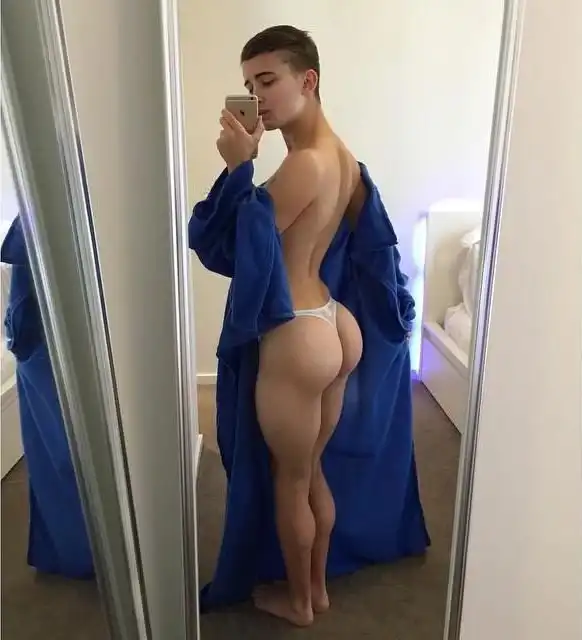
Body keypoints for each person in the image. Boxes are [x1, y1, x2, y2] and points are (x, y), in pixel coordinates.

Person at [215, 25, 365, 626]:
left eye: (268, 81)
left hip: (299, 333)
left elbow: (236, 249)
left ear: (308, 80)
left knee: (291, 479)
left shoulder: (303, 164)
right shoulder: (343, 156)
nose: (258, 97)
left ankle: (300, 603)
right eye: (249, 85)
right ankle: (318, 590)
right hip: (332, 319)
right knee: (311, 471)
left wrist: (238, 169)